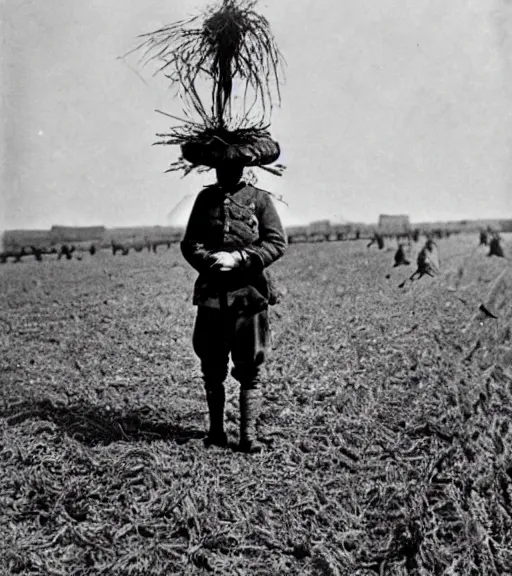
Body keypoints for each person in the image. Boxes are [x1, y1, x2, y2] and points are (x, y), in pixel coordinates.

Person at [181, 161, 287, 453]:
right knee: (212, 367)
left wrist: (241, 258)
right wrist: (212, 260)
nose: (225, 171)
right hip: (212, 299)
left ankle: (248, 437)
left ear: (242, 167)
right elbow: (190, 243)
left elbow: (277, 242)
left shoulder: (260, 199)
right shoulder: (205, 200)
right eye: (220, 165)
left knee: (250, 367)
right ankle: (216, 433)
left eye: (232, 165)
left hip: (249, 298)